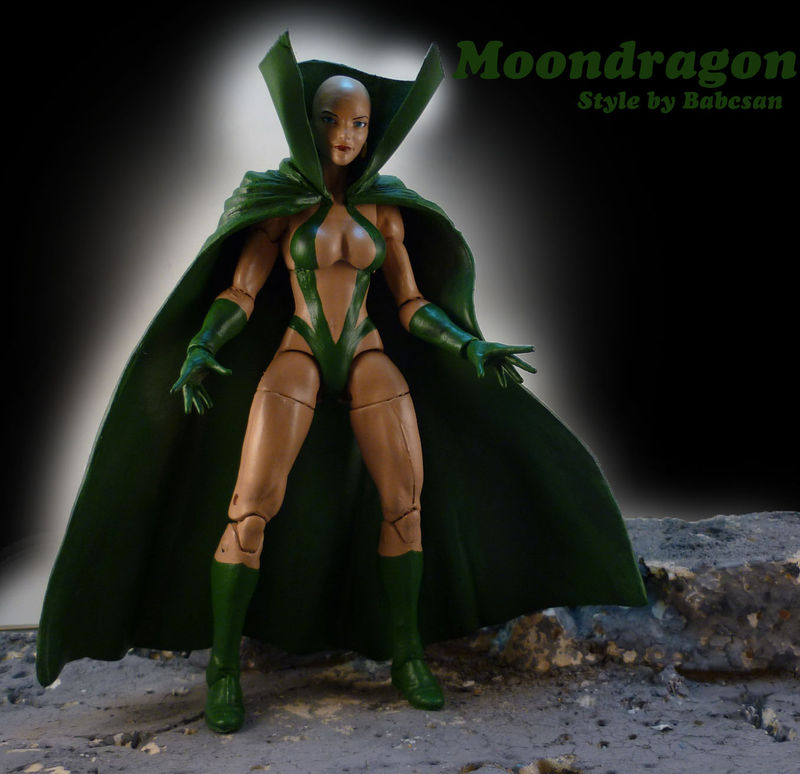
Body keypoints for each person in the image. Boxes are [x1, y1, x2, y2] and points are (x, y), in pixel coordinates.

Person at [36, 34, 647, 733]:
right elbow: (240, 291)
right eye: (331, 120)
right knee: (249, 507)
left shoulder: (384, 209)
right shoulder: (279, 202)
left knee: (404, 504)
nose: (346, 135)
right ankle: (224, 667)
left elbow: (411, 303)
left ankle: (406, 654)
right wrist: (203, 343)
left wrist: (467, 343)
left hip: (366, 351)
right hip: (299, 351)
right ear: (308, 124)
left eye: (359, 122)